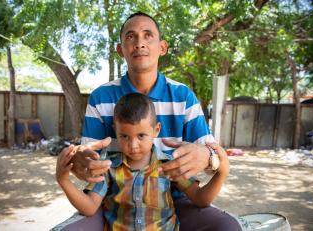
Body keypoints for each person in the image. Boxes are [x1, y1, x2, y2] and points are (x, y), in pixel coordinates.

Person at [54, 11, 242, 231]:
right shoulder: (101, 97)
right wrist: (81, 162)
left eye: (147, 35)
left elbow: (212, 157)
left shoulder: (183, 97)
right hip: (114, 201)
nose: (139, 43)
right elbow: (89, 162)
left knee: (228, 227)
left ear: (162, 47)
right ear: (120, 49)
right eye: (131, 36)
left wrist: (210, 158)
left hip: (175, 200)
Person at [56, 93, 230, 230]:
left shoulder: (168, 165)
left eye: (141, 136)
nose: (133, 145)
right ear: (114, 130)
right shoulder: (108, 167)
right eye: (124, 136)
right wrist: (63, 180)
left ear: (156, 130)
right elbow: (89, 208)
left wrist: (222, 172)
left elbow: (201, 199)